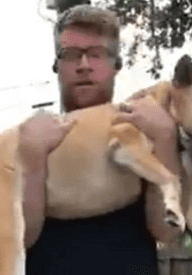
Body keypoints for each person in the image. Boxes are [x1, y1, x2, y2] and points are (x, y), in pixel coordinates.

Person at [19, 5, 181, 275]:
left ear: (116, 65)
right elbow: (19, 239)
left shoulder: (143, 132)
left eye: (96, 54)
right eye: (71, 55)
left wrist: (165, 139)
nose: (84, 66)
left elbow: (167, 232)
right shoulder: (33, 137)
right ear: (57, 66)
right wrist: (33, 162)